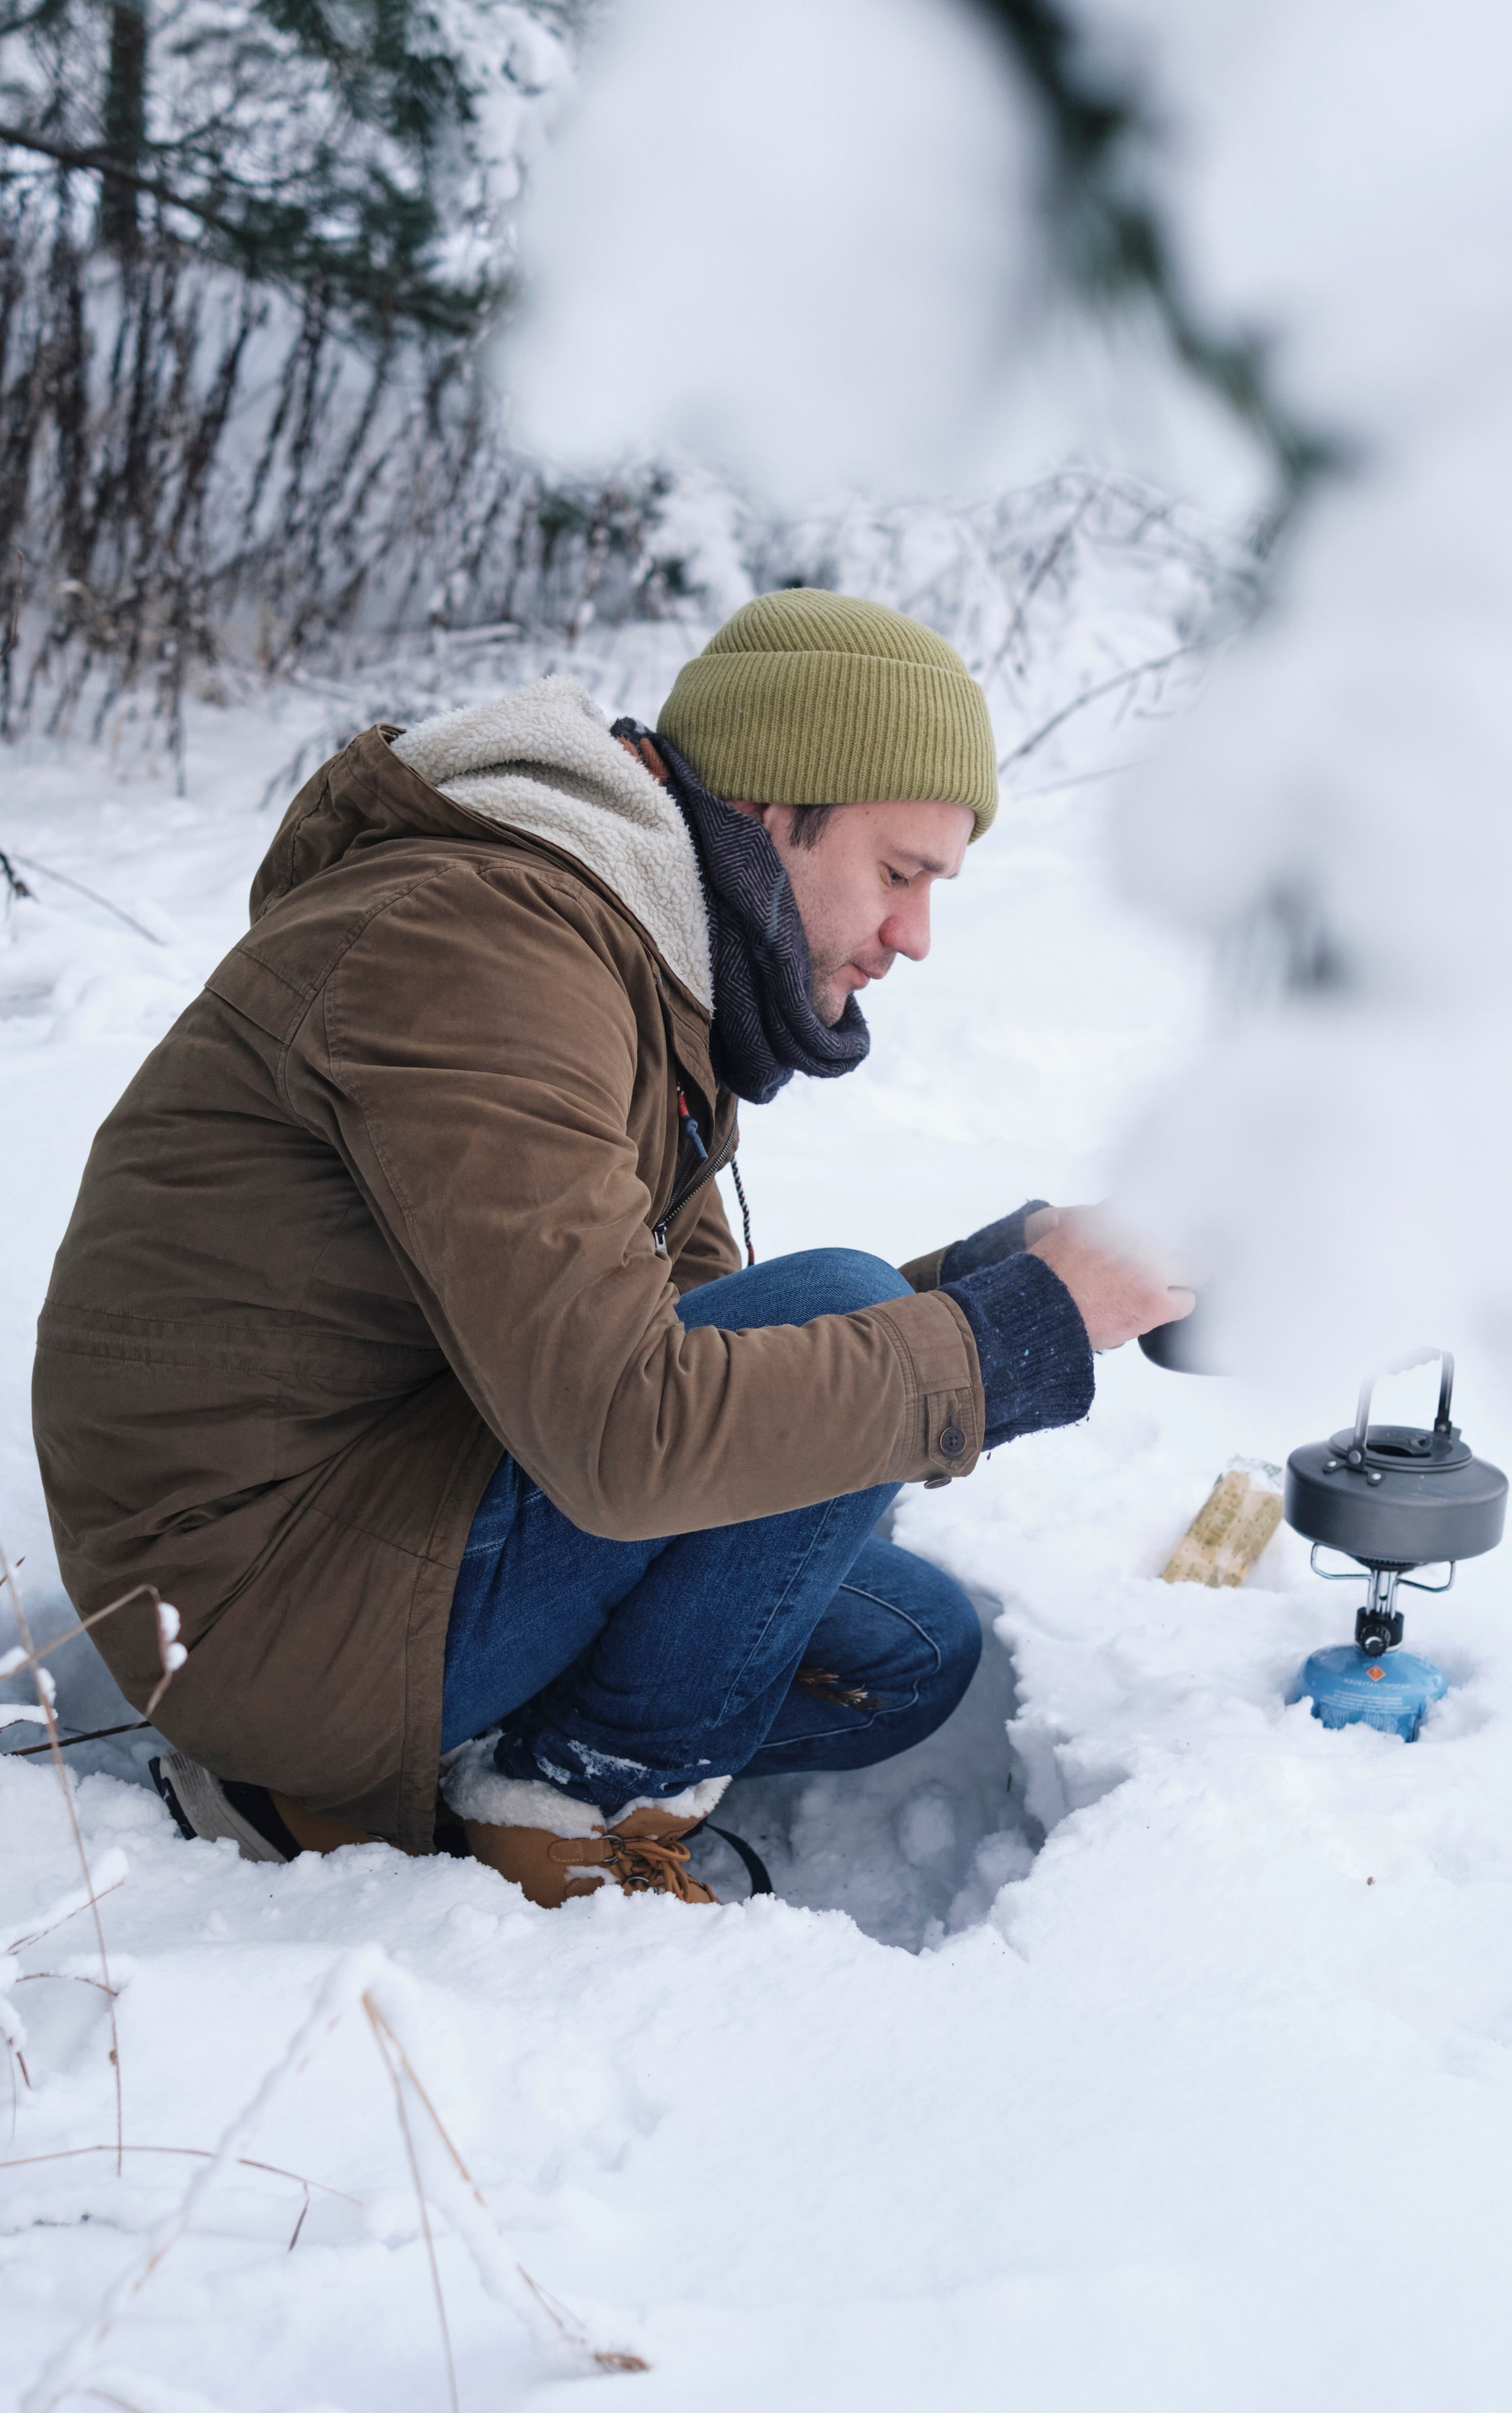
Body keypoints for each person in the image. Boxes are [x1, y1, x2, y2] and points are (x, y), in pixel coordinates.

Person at [32, 590, 1188, 1906]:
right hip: (252, 1600)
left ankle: (444, 1774)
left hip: (401, 1492)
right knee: (837, 1320)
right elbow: (637, 1437)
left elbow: (705, 1353)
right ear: (770, 813)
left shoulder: (637, 973)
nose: (915, 936)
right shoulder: (480, 949)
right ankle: (527, 1801)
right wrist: (1020, 1334)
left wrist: (1001, 1276)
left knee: (914, 1651)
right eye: (900, 873)